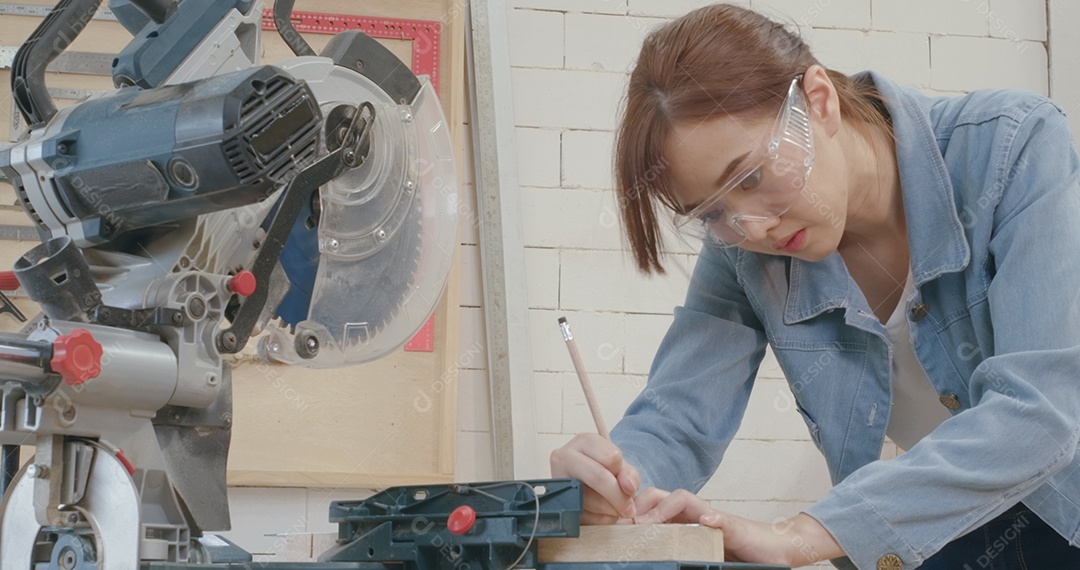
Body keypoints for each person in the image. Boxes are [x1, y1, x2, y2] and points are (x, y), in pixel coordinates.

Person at [549, 4, 1080, 569]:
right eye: (709, 212)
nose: (751, 227)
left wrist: (802, 533)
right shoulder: (743, 250)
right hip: (933, 538)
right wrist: (611, 482)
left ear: (819, 100)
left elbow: (1040, 412)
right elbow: (679, 414)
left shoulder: (1013, 147)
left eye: (750, 176)